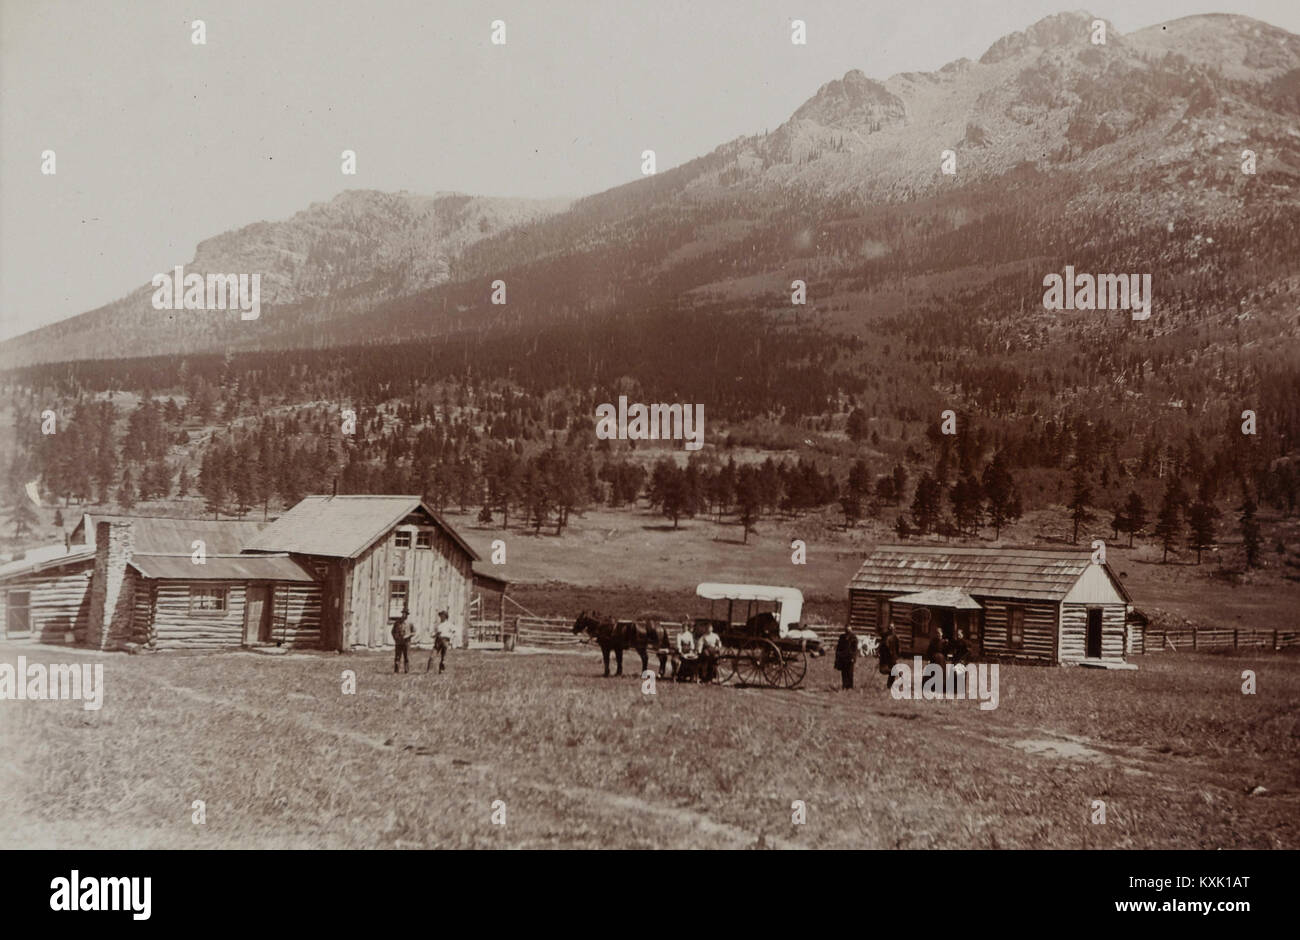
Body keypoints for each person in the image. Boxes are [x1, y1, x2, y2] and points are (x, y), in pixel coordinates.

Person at [427, 609, 452, 674]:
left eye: (443, 615)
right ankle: (429, 671)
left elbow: (454, 632)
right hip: (438, 641)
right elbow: (432, 634)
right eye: (440, 615)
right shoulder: (437, 625)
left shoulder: (449, 625)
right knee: (432, 656)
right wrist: (435, 634)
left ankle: (442, 671)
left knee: (444, 657)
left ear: (446, 616)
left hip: (445, 640)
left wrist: (451, 639)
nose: (441, 617)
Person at [834, 623, 858, 690]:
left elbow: (855, 649)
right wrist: (838, 656)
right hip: (843, 657)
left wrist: (853, 658)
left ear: (851, 630)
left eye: (849, 630)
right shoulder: (842, 637)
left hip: (850, 657)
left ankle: (850, 686)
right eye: (846, 630)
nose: (848, 631)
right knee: (844, 672)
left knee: (850, 672)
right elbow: (839, 647)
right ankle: (844, 685)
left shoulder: (854, 638)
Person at [391, 608, 414, 674]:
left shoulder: (410, 623)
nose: (404, 615)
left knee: (406, 657)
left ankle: (406, 671)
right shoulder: (397, 622)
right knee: (397, 657)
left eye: (406, 614)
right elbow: (393, 631)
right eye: (403, 613)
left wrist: (408, 635)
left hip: (406, 643)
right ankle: (396, 671)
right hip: (398, 642)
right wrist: (395, 638)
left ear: (407, 615)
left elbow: (414, 632)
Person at [879, 621, 900, 690]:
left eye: (892, 628)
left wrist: (896, 656)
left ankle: (890, 686)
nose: (891, 630)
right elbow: (882, 646)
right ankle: (890, 684)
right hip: (886, 657)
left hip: (892, 657)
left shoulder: (896, 637)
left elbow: (898, 648)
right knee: (883, 670)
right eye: (890, 628)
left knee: (892, 672)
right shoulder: (885, 636)